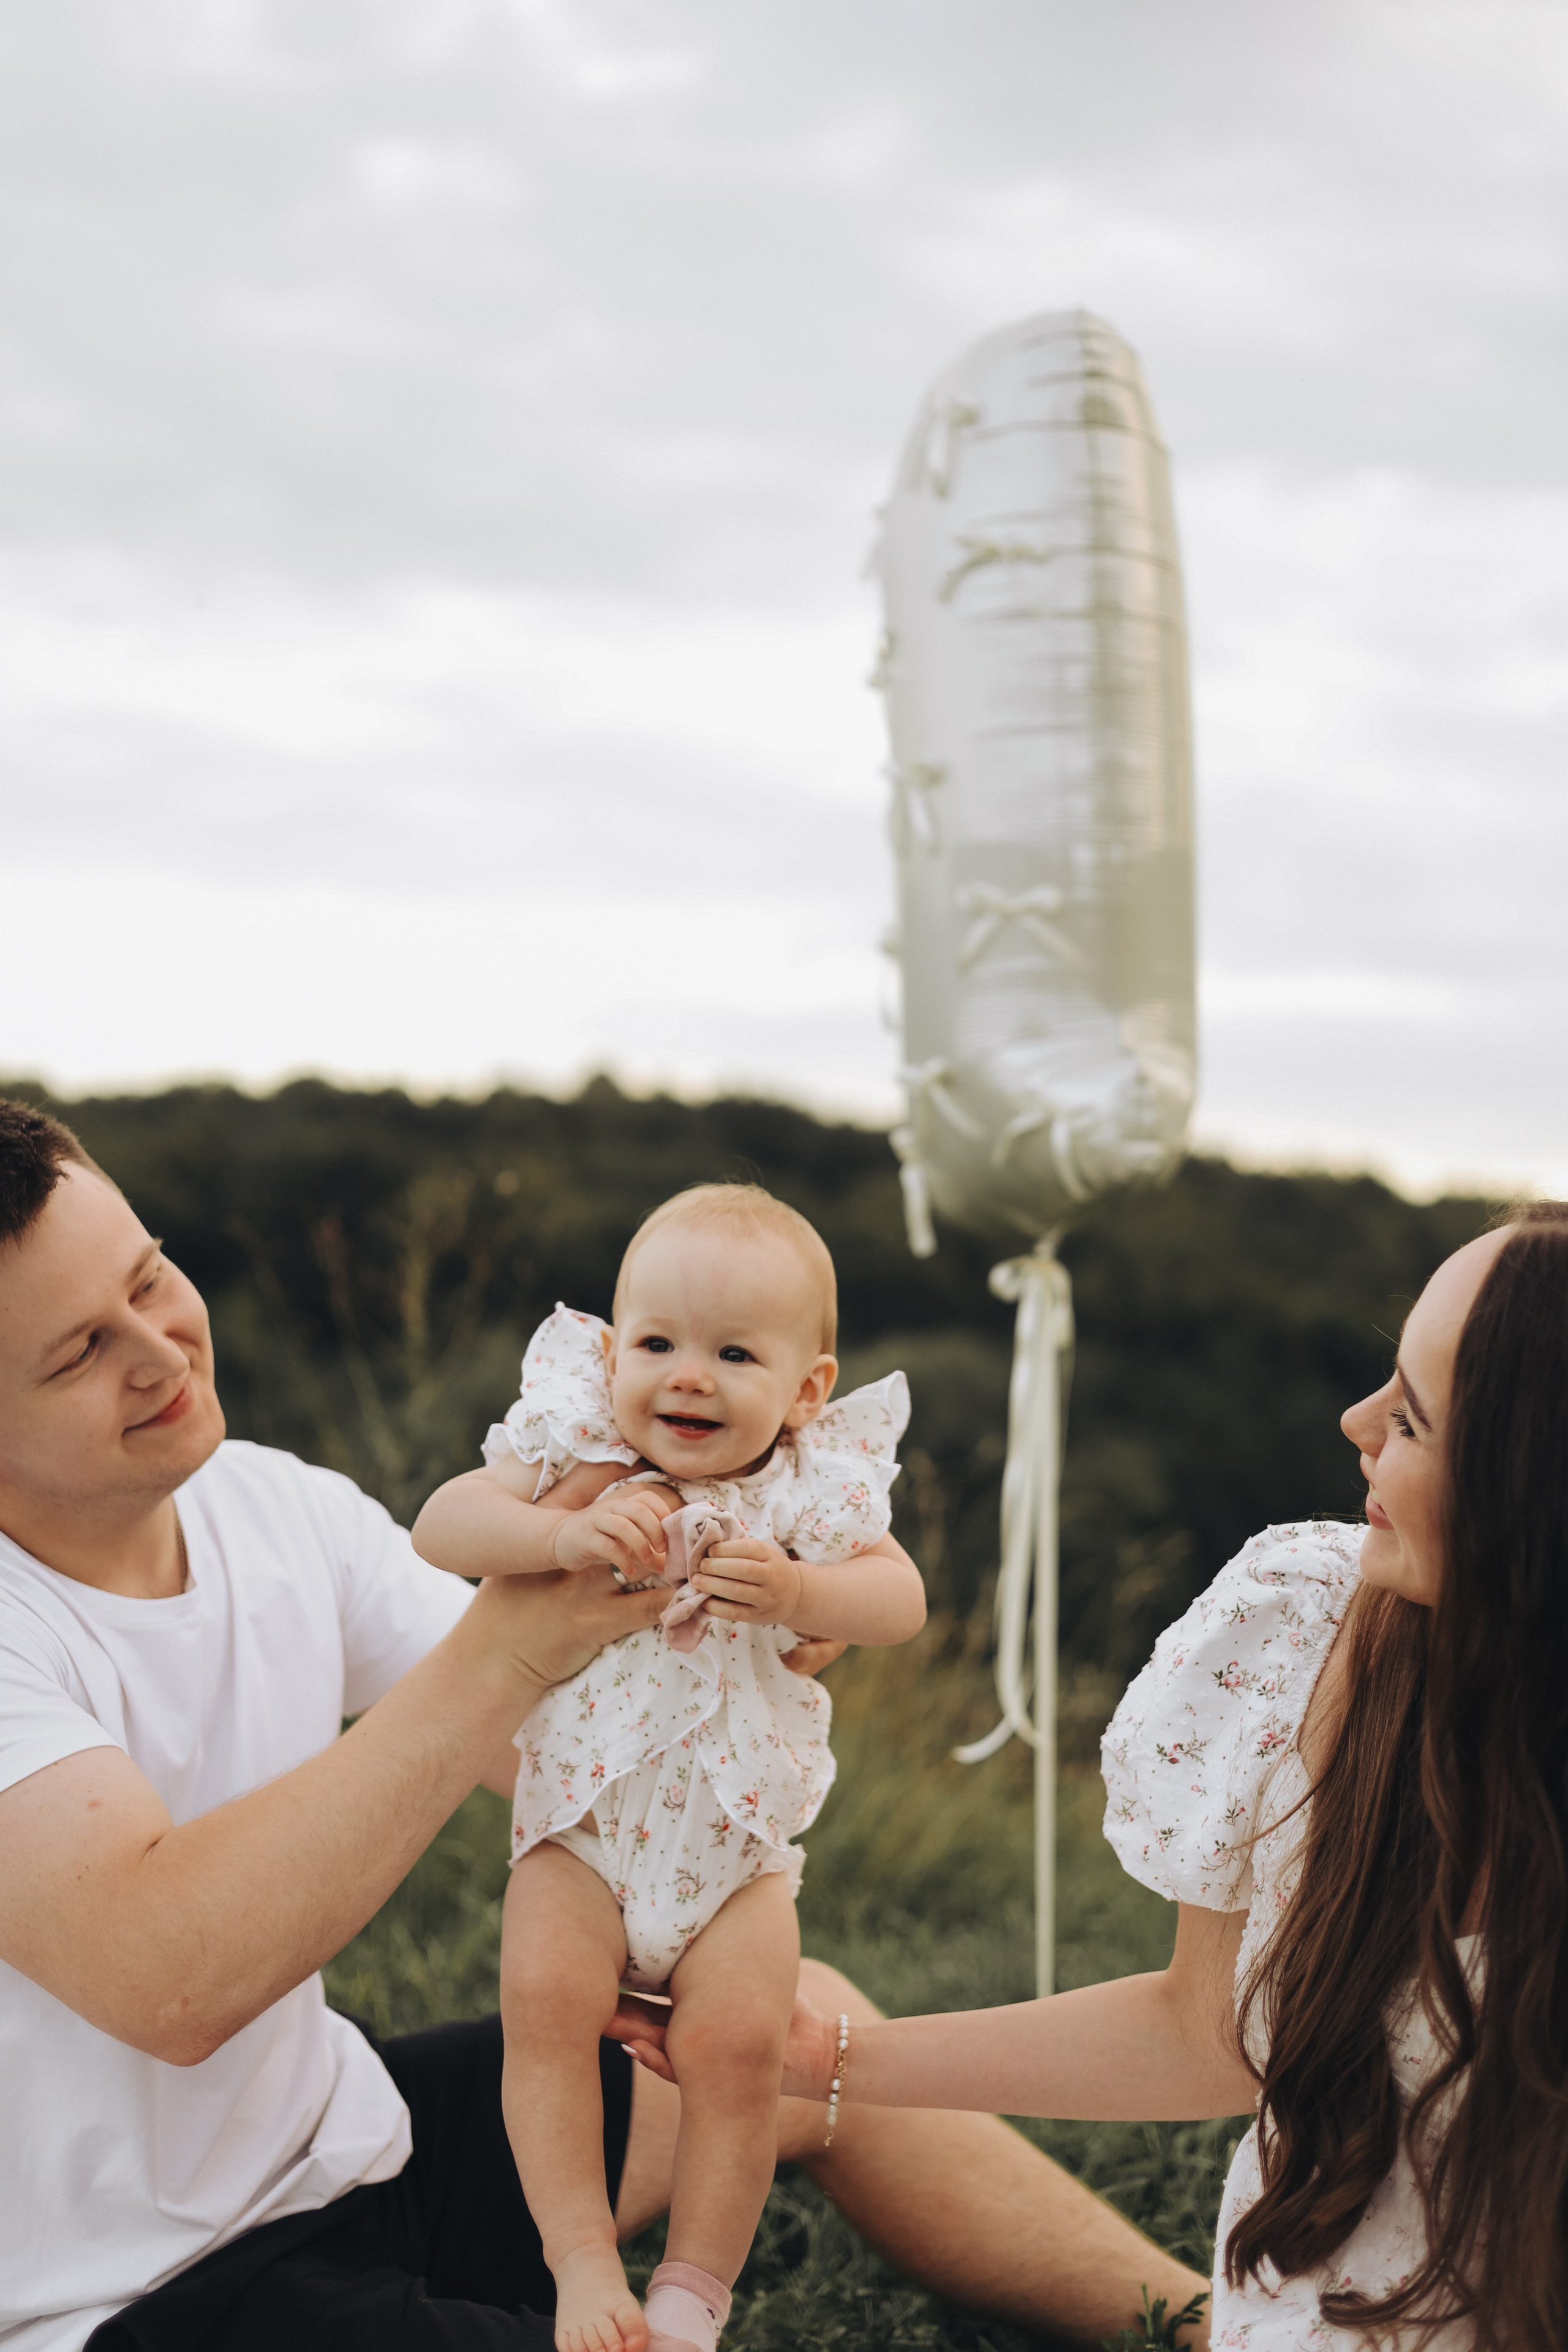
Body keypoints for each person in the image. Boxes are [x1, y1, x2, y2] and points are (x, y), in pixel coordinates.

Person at [0, 1098, 1208, 2352]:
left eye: (151, 1279)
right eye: (80, 1350)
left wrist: (737, 1636)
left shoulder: (271, 1506)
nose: (160, 1351)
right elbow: (169, 1980)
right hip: (131, 2291)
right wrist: (520, 1634)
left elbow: (551, 1748)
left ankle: (1224, 2327)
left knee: (793, 2037)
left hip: (348, 2144)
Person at [686, 1209, 1568, 2349]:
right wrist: (832, 2061)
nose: (1354, 1425)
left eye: (1410, 1418)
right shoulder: (1314, 1631)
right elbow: (1205, 2030)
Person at [412, 1186, 925, 2352]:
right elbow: (440, 1524)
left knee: (740, 2055)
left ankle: (694, 2296)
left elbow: (901, 1600)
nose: (687, 1377)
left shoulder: (803, 1492)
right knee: (542, 2012)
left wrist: (802, 1590)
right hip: (582, 1836)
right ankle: (586, 2266)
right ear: (610, 1351)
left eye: (734, 1353)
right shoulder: (581, 1463)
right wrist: (555, 1537)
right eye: (656, 1344)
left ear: (806, 1390)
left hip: (736, 1859)